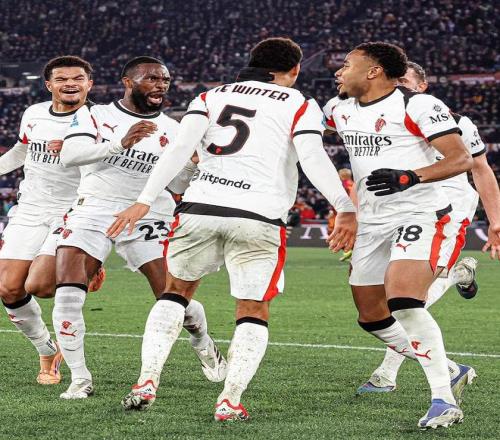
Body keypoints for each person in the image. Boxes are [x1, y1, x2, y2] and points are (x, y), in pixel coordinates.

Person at [108, 38, 357, 420]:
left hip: (201, 208)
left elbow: (178, 150)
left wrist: (144, 199)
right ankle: (230, 400)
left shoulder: (210, 97)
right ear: (293, 70)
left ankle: (146, 380)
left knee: (175, 293)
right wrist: (344, 206)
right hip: (258, 216)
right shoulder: (299, 103)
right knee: (252, 308)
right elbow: (311, 156)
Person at [52, 56, 227, 400]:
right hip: (94, 210)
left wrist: (193, 166)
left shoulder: (175, 130)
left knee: (173, 298)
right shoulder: (95, 115)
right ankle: (80, 379)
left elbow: (177, 184)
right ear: (128, 82)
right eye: (152, 79)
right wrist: (120, 143)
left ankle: (202, 339)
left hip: (150, 215)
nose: (160, 85)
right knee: (67, 295)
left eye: (165, 80)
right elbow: (70, 155)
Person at [323, 42, 473, 429]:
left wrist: (411, 177)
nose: (339, 72)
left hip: (419, 213)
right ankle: (451, 369)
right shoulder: (337, 108)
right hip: (372, 222)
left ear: (373, 71)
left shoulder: (417, 105)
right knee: (371, 316)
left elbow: (460, 158)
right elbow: (305, 136)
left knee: (404, 300)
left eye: (347, 65)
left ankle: (443, 401)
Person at [358, 61, 500, 395]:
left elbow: (480, 169)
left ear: (423, 87)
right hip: (402, 209)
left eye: (405, 82)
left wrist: (496, 221)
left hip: (449, 209)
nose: (399, 87)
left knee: (408, 297)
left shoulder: (457, 123)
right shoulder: (382, 120)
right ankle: (459, 274)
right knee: (388, 294)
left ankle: (387, 373)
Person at [0, 55, 104, 386]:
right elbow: (22, 151)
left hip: (73, 210)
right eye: (61, 79)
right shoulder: (33, 113)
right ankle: (47, 351)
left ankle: (87, 265)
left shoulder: (101, 121)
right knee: (8, 288)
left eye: (77, 78)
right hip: (30, 209)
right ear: (49, 85)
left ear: (89, 84)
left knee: (41, 286)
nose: (70, 84)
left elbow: (114, 167)